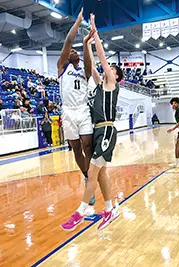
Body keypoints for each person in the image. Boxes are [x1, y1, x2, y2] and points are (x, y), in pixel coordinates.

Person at [61, 14, 123, 231]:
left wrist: (95, 32)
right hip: (97, 131)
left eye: (112, 69)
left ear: (116, 76)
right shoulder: (99, 86)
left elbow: (102, 59)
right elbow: (93, 65)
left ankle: (81, 210)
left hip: (107, 130)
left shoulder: (111, 84)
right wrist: (86, 43)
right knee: (102, 172)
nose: (109, 69)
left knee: (94, 173)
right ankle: (109, 209)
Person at [57, 8, 95, 205]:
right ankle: (86, 174)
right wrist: (78, 21)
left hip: (83, 109)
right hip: (68, 111)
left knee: (87, 145)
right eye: (70, 51)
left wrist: (87, 42)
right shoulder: (63, 67)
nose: (71, 51)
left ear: (79, 56)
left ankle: (89, 180)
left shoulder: (84, 70)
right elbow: (68, 42)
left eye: (75, 51)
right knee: (76, 148)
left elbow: (88, 61)